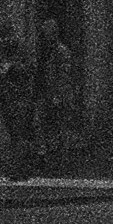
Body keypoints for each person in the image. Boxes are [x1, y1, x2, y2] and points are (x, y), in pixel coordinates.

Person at [0, 25, 37, 179]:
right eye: (5, 37)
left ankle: (21, 169)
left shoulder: (24, 50)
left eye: (10, 37)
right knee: (13, 133)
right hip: (6, 97)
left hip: (22, 96)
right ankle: (18, 167)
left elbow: (31, 69)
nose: (8, 40)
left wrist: (13, 67)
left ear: (14, 36)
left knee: (20, 132)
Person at [33, 17, 79, 170]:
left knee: (61, 128)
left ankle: (62, 160)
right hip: (46, 93)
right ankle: (45, 156)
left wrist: (58, 95)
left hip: (59, 94)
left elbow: (64, 74)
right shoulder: (45, 51)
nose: (45, 36)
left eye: (47, 33)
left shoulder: (61, 51)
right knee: (41, 124)